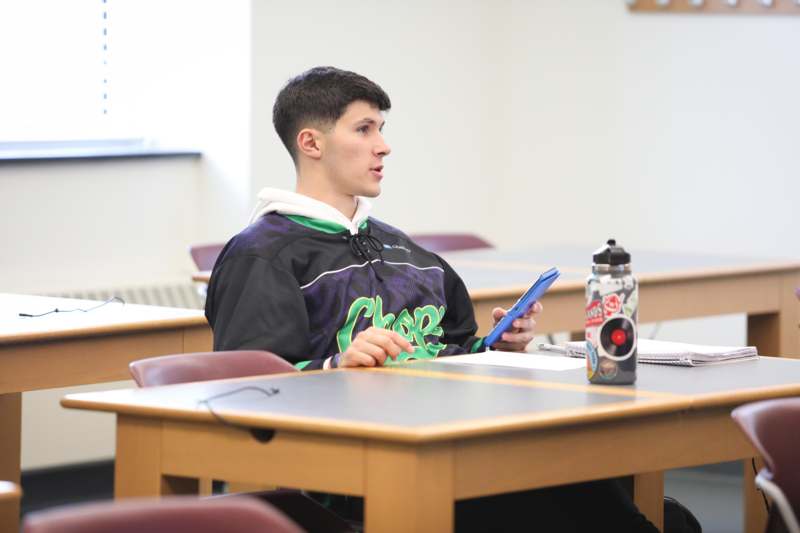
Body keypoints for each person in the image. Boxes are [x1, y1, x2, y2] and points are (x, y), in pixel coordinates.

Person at [205, 66, 697, 533]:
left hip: (454, 442)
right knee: (574, 495)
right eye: (364, 130)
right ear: (311, 143)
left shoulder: (406, 251)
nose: (384, 146)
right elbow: (244, 388)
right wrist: (335, 365)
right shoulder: (262, 256)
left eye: (382, 128)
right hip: (357, 474)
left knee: (582, 473)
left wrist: (496, 345)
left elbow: (453, 349)